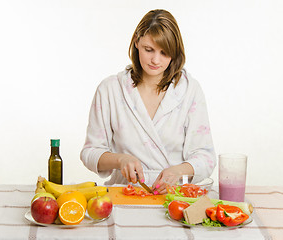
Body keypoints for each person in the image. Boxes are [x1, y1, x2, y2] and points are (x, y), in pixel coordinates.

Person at [80, 9, 216, 194]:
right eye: (148, 49)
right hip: (124, 194)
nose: (155, 60)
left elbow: (206, 157)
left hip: (174, 198)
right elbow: (90, 152)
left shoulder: (190, 91)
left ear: (175, 53)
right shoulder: (110, 89)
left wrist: (178, 171)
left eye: (164, 53)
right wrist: (120, 160)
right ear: (137, 42)